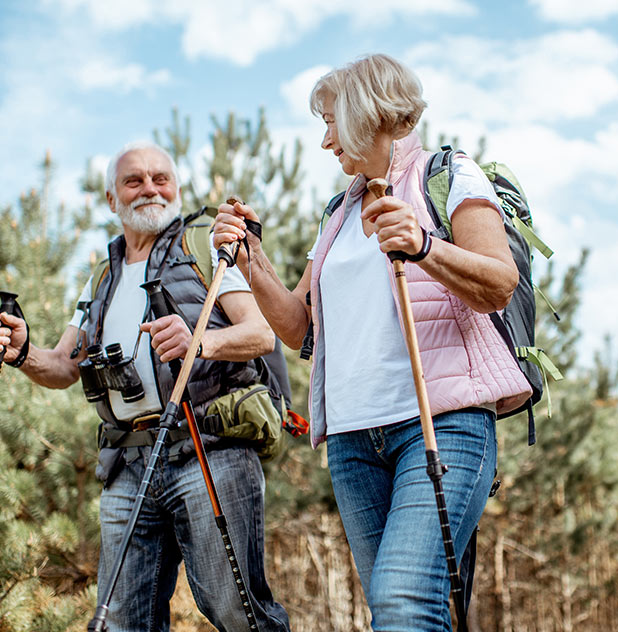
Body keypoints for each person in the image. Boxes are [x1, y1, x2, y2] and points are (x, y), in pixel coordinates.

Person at [213, 54, 531, 631]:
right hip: (355, 439)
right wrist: (250, 260)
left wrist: (423, 245)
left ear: (367, 113)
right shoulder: (337, 214)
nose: (325, 141)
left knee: (403, 600)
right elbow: (300, 328)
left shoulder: (448, 173)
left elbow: (498, 283)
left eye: (331, 121)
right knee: (397, 612)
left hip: (441, 423)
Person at [0, 141, 290, 632]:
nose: (150, 188)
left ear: (177, 189)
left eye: (160, 177)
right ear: (111, 199)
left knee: (236, 610)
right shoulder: (101, 276)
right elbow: (62, 365)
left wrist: (199, 341)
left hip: (209, 448)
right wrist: (21, 353)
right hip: (128, 462)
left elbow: (260, 333)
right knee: (123, 620)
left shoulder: (204, 245)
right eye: (134, 180)